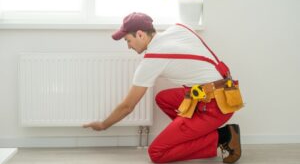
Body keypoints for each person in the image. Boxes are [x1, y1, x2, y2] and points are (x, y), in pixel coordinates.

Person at [83, 12, 242, 163]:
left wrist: (104, 125)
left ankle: (223, 136)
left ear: (140, 34)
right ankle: (196, 134)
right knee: (163, 98)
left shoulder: (153, 58)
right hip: (226, 91)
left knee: (157, 153)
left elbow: (127, 106)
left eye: (127, 40)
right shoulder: (179, 28)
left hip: (216, 107)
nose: (128, 46)